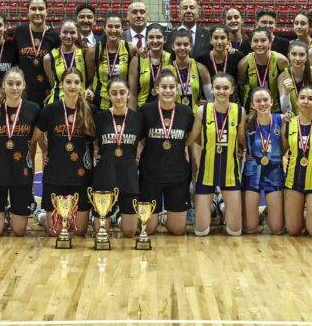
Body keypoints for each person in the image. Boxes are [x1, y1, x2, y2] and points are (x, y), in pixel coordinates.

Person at [0, 68, 41, 237]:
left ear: (24, 85)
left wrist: (48, 154)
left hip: (21, 174)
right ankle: (3, 213)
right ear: (3, 85)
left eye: (18, 84)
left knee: (19, 231)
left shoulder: (33, 109)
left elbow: (39, 139)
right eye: (10, 83)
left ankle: (11, 213)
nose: (14, 88)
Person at [36, 67, 96, 238]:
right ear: (61, 84)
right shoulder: (50, 110)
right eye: (68, 82)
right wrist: (45, 150)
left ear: (81, 85)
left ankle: (74, 216)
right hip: (56, 172)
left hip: (81, 174)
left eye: (76, 82)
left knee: (80, 231)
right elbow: (36, 135)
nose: (72, 86)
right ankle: (40, 215)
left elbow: (96, 141)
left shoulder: (90, 110)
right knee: (55, 232)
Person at [188, 73, 244, 236]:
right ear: (212, 89)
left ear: (232, 90)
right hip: (207, 173)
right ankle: (213, 204)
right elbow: (193, 137)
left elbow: (241, 140)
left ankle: (222, 206)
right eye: (217, 88)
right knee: (201, 231)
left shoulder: (239, 111)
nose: (221, 91)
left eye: (226, 88)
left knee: (234, 231)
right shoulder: (202, 111)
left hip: (230, 173)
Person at [139, 71, 193, 237]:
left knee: (178, 230)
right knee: (148, 230)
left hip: (177, 175)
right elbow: (140, 140)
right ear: (157, 89)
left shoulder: (186, 112)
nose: (168, 91)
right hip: (151, 175)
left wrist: (194, 163)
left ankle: (164, 217)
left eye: (171, 87)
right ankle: (151, 218)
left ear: (177, 89)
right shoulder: (146, 110)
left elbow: (191, 140)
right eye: (164, 87)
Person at [93, 77, 145, 240]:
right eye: (114, 93)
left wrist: (139, 156)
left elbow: (144, 142)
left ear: (128, 93)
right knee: (100, 232)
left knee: (129, 232)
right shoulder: (100, 117)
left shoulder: (138, 118)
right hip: (105, 176)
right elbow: (93, 141)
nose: (118, 96)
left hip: (128, 177)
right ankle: (109, 215)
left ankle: (119, 217)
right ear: (109, 95)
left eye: (122, 92)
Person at [242, 87, 284, 234]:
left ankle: (268, 211)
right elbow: (240, 143)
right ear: (253, 104)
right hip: (253, 173)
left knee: (277, 229)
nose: (262, 103)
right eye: (258, 101)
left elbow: (287, 146)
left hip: (274, 173)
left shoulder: (282, 120)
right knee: (250, 228)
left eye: (265, 100)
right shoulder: (247, 123)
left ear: (272, 101)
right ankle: (259, 215)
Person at [16, 0, 60, 104]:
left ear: (46, 12)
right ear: (28, 12)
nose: (37, 12)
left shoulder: (54, 35)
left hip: (47, 92)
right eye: (33, 9)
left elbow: (58, 66)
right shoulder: (19, 32)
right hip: (23, 91)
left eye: (41, 9)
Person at [43, 19, 92, 104]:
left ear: (77, 34)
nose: (68, 36)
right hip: (57, 102)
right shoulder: (49, 58)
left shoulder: (85, 53)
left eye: (72, 33)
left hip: (80, 102)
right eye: (65, 32)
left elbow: (91, 79)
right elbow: (53, 83)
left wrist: (89, 90)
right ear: (60, 34)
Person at [237, 28, 287, 108]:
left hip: (275, 109)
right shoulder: (243, 64)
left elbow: (286, 88)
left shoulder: (281, 61)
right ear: (251, 44)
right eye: (255, 41)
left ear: (270, 43)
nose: (259, 44)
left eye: (263, 40)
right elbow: (242, 91)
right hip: (252, 109)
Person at [276, 41, 312, 117]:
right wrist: (286, 93)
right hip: (292, 121)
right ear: (288, 56)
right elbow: (285, 110)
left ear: (306, 57)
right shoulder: (282, 76)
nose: (297, 58)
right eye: (294, 54)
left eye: (302, 55)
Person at [128, 24, 172, 106]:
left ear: (165, 39)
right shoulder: (137, 60)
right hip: (142, 109)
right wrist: (132, 113)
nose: (155, 41)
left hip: (166, 108)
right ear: (146, 40)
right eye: (151, 37)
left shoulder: (171, 59)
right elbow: (132, 95)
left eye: (158, 37)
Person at [91, 13, 130, 104]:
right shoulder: (93, 50)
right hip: (100, 102)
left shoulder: (130, 49)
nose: (113, 30)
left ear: (122, 29)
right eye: (110, 26)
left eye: (117, 26)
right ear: (104, 29)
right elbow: (90, 78)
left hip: (122, 100)